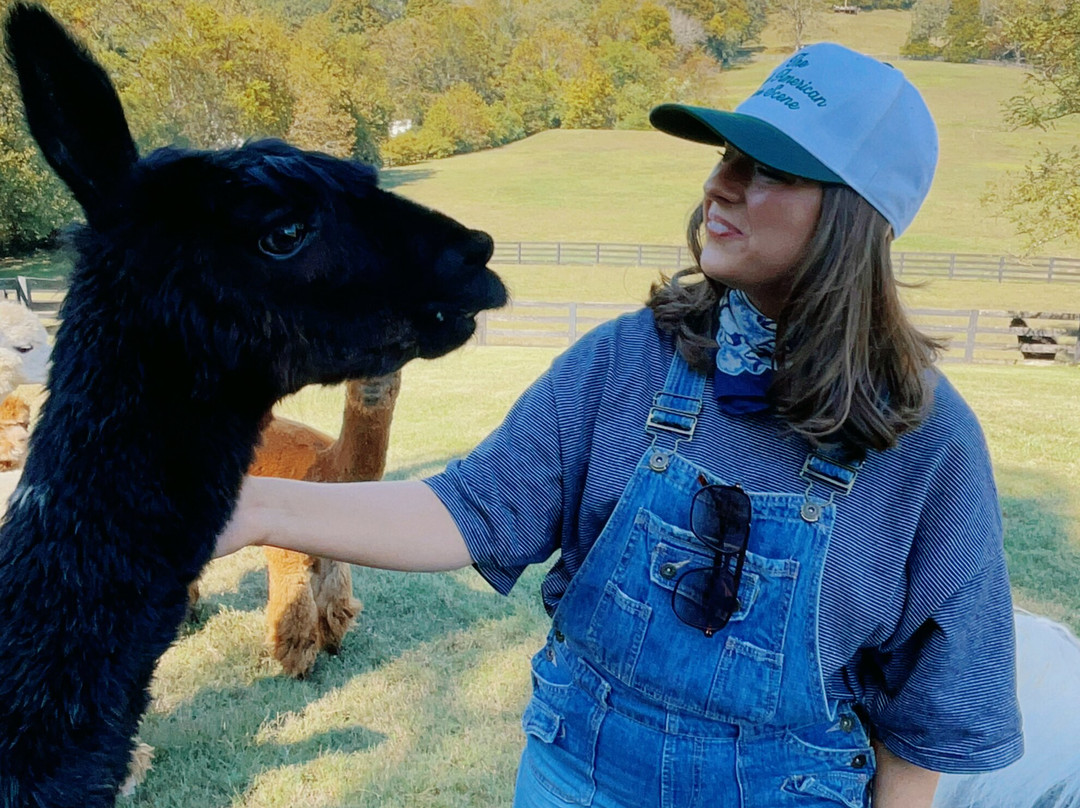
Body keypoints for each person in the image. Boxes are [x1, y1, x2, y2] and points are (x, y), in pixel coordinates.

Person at [215, 43, 1023, 808]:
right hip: (574, 779)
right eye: (723, 157)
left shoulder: (926, 443)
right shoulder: (632, 359)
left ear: (856, 218)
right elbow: (471, 509)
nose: (721, 185)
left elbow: (936, 708)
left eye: (769, 170)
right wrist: (251, 507)